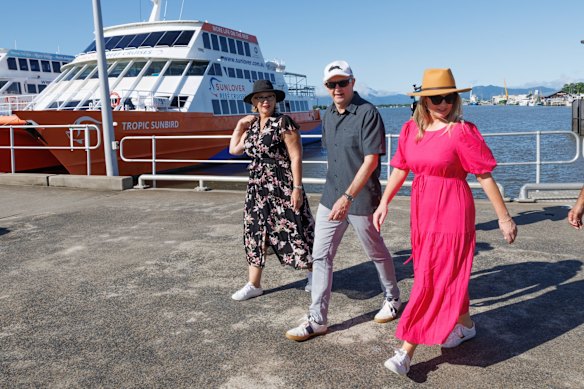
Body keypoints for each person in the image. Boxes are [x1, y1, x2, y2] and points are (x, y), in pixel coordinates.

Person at [373, 68, 518, 376]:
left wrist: (504, 217)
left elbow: (484, 175)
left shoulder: (462, 131)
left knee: (432, 278)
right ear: (423, 100)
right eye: (436, 98)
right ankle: (465, 326)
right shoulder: (411, 130)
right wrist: (384, 201)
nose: (443, 104)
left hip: (453, 207)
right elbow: (400, 168)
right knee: (443, 274)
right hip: (423, 209)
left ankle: (406, 351)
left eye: (449, 97)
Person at [285, 60, 401, 341]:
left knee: (375, 251)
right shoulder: (327, 115)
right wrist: (337, 196)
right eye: (331, 84)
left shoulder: (368, 114)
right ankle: (317, 320)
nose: (337, 88)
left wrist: (348, 197)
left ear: (353, 82)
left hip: (360, 198)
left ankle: (393, 299)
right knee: (321, 255)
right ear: (326, 88)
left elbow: (371, 161)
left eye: (342, 83)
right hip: (330, 196)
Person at [229, 79, 315, 301]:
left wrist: (297, 188)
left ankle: (314, 275)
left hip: (281, 184)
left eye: (269, 97)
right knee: (254, 232)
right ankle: (254, 284)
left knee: (296, 227)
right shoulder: (252, 126)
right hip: (257, 188)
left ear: (275, 100)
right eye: (260, 97)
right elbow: (234, 149)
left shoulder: (283, 122)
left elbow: (296, 156)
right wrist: (239, 126)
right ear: (253, 102)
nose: (265, 101)